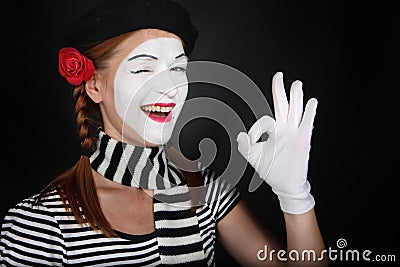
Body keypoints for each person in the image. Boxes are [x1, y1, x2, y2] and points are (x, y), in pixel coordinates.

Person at [1, 0, 327, 266]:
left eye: (177, 69)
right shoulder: (40, 226)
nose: (170, 88)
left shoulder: (206, 192)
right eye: (143, 68)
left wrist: (295, 197)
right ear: (94, 85)